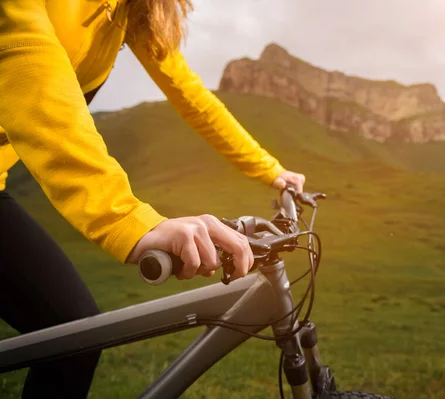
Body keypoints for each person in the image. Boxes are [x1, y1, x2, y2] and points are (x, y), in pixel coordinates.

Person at [0, 0, 306, 397]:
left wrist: (271, 171)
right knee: (71, 333)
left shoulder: (131, 11)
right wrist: (127, 219)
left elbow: (193, 98)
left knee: (73, 335)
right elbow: (26, 62)